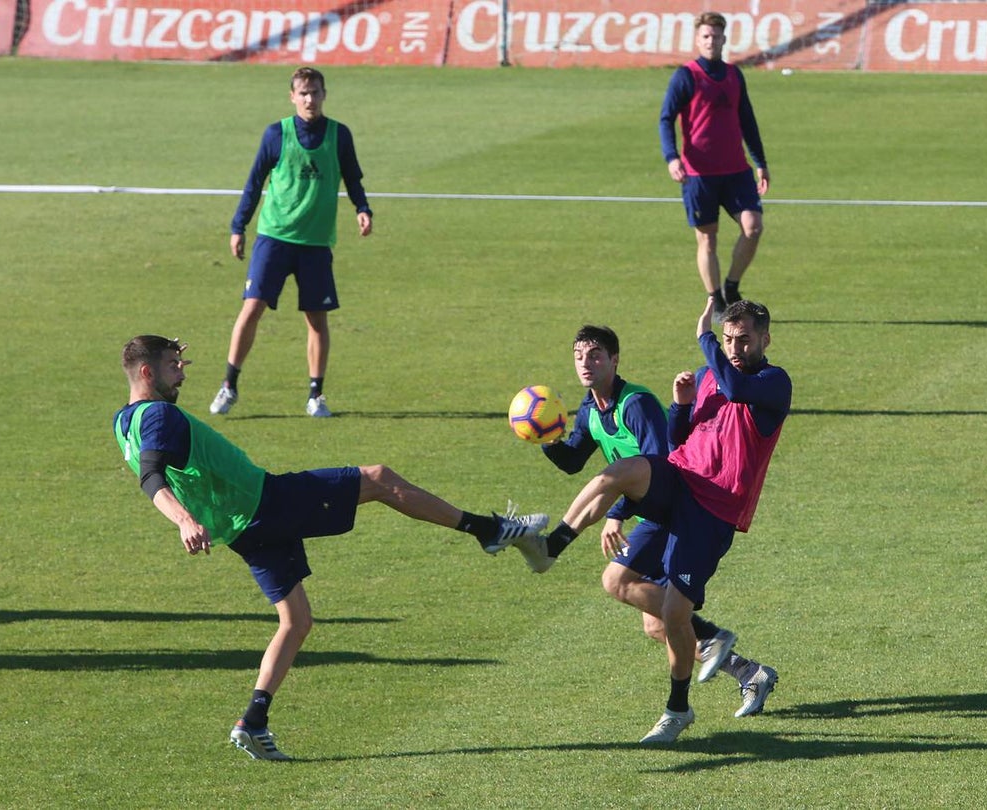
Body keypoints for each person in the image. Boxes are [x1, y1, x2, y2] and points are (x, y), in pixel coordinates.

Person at [115, 335, 547, 760]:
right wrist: (185, 519)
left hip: (241, 529)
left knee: (296, 621)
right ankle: (488, 530)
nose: (182, 374)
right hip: (266, 502)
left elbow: (154, 471)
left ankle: (253, 721)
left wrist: (191, 516)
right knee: (379, 479)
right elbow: (151, 476)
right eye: (172, 366)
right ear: (148, 372)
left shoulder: (123, 423)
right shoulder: (159, 417)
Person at [529, 299, 790, 744]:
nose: (733, 347)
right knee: (618, 570)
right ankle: (552, 545)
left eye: (743, 339)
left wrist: (705, 337)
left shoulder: (773, 381)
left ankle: (680, 708)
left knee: (668, 617)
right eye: (727, 339)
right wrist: (681, 407)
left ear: (765, 339)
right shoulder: (709, 375)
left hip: (713, 509)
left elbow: (737, 388)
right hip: (680, 481)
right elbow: (677, 441)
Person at [514, 325, 749, 688]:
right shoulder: (591, 408)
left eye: (594, 355)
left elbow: (659, 462)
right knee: (655, 623)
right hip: (653, 514)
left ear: (614, 360)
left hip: (678, 505)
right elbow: (574, 460)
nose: (585, 364)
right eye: (578, 357)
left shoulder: (635, 403)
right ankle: (746, 670)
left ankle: (552, 545)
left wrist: (615, 512)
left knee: (618, 559)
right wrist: (548, 437)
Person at [210, 66, 373, 419]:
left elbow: (352, 176)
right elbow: (254, 182)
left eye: (315, 92)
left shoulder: (338, 135)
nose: (310, 99)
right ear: (292, 97)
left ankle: (316, 394)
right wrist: (239, 226)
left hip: (315, 243)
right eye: (303, 93)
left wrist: (362, 208)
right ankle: (228, 385)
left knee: (316, 319)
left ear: (324, 94)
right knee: (252, 308)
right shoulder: (277, 134)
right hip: (275, 237)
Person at [659, 11, 770, 317]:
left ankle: (731, 286)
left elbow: (747, 119)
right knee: (707, 238)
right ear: (698, 40)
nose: (711, 41)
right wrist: (672, 158)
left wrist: (760, 161)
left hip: (736, 171)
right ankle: (716, 299)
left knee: (753, 226)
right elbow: (666, 119)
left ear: (724, 39)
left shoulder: (734, 75)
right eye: (705, 36)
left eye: (716, 36)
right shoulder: (686, 76)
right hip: (699, 174)